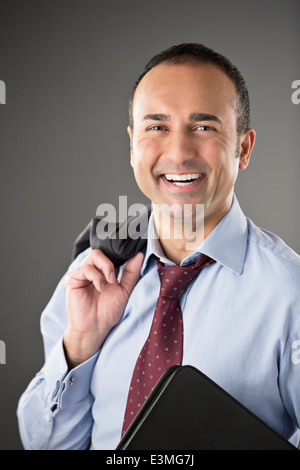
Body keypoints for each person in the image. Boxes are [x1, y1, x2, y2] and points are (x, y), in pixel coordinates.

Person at [17, 43, 300, 450]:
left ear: (243, 148)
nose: (179, 152)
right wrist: (80, 345)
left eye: (204, 127)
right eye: (157, 127)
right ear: (133, 146)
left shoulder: (289, 294)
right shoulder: (92, 273)